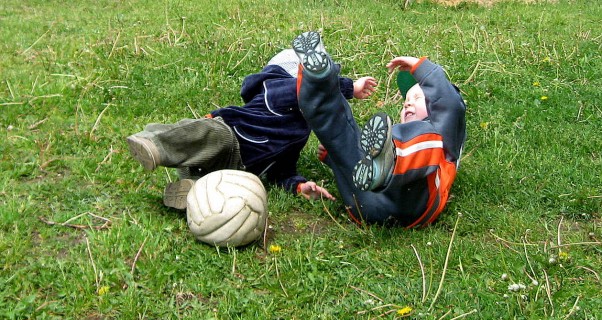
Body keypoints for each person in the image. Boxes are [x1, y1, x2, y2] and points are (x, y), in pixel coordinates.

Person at [126, 48, 378, 209]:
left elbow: (282, 170)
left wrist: (300, 186)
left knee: (226, 191)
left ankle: (191, 190)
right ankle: (155, 143)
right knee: (213, 134)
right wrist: (349, 88)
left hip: (237, 170)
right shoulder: (276, 94)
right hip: (228, 139)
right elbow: (303, 91)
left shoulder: (300, 131)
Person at [293, 31, 466, 226]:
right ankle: (318, 81)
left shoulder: (444, 137)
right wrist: (335, 156)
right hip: (367, 205)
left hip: (414, 205)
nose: (408, 104)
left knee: (426, 137)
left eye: (417, 99)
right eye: (405, 102)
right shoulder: (393, 138)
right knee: (341, 133)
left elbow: (451, 104)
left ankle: (388, 163)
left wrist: (422, 68)